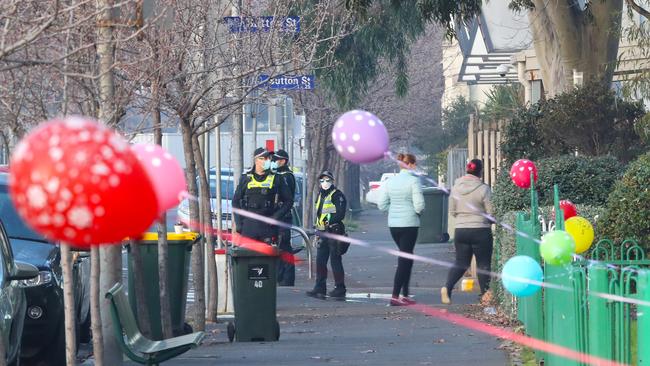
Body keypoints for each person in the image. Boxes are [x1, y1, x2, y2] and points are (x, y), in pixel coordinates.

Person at [441, 159, 494, 304]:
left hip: (461, 230)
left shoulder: (456, 187)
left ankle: (447, 287)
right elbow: (491, 213)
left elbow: (452, 210)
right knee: (483, 264)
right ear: (480, 171)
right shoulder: (484, 188)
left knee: (461, 262)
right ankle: (485, 296)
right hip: (480, 230)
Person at [377, 153, 425, 306]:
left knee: (407, 258)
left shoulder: (390, 181)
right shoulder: (414, 181)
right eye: (415, 164)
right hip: (409, 224)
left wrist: (395, 210)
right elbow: (419, 205)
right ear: (410, 164)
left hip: (394, 225)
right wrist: (416, 211)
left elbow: (381, 205)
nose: (415, 167)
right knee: (405, 260)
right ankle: (395, 295)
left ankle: (405, 294)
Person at [232, 147, 293, 244]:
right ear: (256, 160)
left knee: (268, 257)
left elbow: (288, 201)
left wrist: (276, 217)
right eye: (264, 158)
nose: (268, 160)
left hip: (268, 226)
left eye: (268, 158)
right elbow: (235, 201)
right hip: (249, 226)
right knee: (248, 257)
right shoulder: (246, 178)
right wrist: (239, 223)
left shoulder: (277, 178)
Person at [306, 170, 348, 300]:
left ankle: (340, 288)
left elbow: (340, 214)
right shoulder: (320, 195)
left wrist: (328, 222)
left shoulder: (337, 195)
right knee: (320, 261)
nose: (325, 183)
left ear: (332, 181)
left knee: (335, 261)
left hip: (334, 231)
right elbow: (320, 213)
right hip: (322, 232)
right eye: (322, 180)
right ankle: (320, 287)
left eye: (327, 180)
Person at [272, 149, 297, 286]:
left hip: (283, 216)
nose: (273, 162)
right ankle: (281, 277)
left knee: (284, 246)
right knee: (280, 247)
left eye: (276, 160)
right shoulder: (280, 174)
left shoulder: (286, 176)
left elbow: (284, 197)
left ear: (283, 161)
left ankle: (286, 278)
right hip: (280, 216)